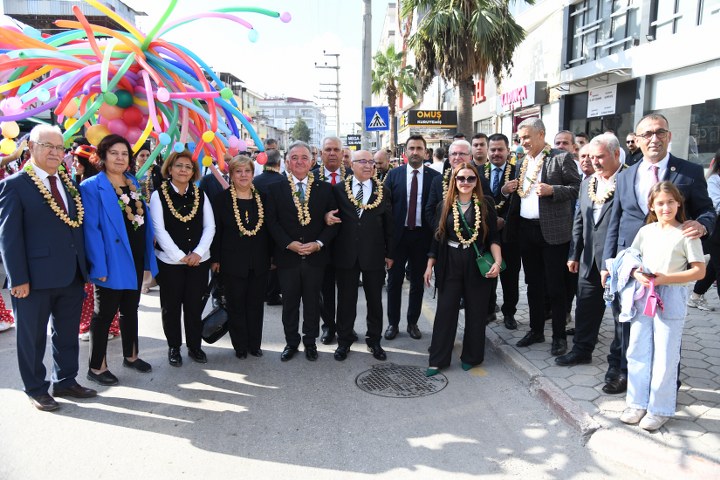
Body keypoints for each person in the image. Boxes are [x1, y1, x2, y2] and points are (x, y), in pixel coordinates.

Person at [601, 113, 715, 395]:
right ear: (637, 140)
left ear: (669, 136)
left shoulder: (689, 171)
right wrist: (607, 264)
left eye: (660, 132)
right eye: (647, 134)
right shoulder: (626, 175)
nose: (654, 138)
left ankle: (667, 381)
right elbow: (615, 220)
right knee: (627, 322)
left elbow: (707, 210)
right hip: (631, 265)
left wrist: (702, 224)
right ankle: (626, 374)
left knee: (667, 328)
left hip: (669, 267)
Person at [0, 124, 96, 411]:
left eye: (59, 147)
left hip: (71, 274)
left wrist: (84, 267)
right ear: (31, 148)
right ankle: (35, 388)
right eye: (48, 146)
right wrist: (18, 278)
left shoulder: (67, 183)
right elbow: (8, 237)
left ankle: (65, 380)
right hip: (33, 279)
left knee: (66, 333)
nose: (55, 152)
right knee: (31, 338)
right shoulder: (15, 185)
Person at [617, 182, 705, 431]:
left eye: (670, 202)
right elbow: (631, 258)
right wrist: (636, 274)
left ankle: (659, 408)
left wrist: (666, 279)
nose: (666, 207)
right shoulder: (646, 231)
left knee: (665, 354)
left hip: (671, 294)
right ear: (652, 207)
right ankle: (636, 403)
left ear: (679, 203)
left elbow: (699, 271)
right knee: (637, 349)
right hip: (644, 294)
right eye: (660, 203)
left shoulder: (686, 233)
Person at [80, 134, 159, 385]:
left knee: (130, 309)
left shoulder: (131, 181)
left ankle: (131, 356)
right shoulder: (92, 186)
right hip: (111, 258)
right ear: (102, 156)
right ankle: (97, 367)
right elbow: (91, 230)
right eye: (114, 153)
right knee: (104, 314)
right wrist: (98, 266)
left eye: (124, 154)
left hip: (135, 255)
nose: (120, 158)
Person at [502, 118, 581, 356]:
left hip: (553, 233)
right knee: (533, 284)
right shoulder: (521, 162)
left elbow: (577, 188)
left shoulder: (561, 158)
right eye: (520, 138)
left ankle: (559, 336)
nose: (523, 142)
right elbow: (520, 194)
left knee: (555, 286)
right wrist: (506, 190)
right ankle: (536, 330)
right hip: (526, 231)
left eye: (526, 137)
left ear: (541, 134)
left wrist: (553, 190)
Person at [423, 163, 502, 376]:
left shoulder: (486, 204)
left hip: (476, 262)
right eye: (461, 178)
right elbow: (437, 237)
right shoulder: (444, 205)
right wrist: (429, 265)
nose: (465, 182)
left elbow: (493, 237)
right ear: (454, 181)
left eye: (470, 178)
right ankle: (438, 359)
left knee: (476, 311)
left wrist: (497, 262)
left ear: (477, 181)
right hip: (450, 261)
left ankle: (471, 357)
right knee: (445, 310)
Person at [266, 141, 338, 361]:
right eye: (294, 158)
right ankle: (291, 342)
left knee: (312, 303)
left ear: (312, 162)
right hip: (288, 257)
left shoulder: (325, 189)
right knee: (289, 304)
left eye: (304, 157)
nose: (299, 162)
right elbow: (272, 222)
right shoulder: (275, 188)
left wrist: (319, 243)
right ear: (287, 162)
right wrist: (288, 244)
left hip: (316, 257)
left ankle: (310, 342)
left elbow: (333, 222)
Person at [556, 134, 624, 367]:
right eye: (591, 157)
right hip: (588, 258)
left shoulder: (627, 179)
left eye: (600, 157)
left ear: (616, 154)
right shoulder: (588, 182)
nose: (594, 162)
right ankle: (582, 351)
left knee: (621, 314)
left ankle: (621, 361)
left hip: (617, 259)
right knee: (585, 307)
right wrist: (574, 253)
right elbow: (580, 219)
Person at [150, 150, 216, 367]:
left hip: (199, 261)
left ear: (193, 171)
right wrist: (179, 256)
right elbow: (159, 230)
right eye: (179, 166)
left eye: (188, 167)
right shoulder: (158, 195)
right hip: (170, 263)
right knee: (171, 307)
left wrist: (198, 253)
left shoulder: (200, 194)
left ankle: (195, 346)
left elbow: (210, 226)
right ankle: (174, 347)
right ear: (170, 169)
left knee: (194, 305)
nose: (183, 170)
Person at [329, 150, 393, 361]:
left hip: (373, 254)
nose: (368, 165)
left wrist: (390, 253)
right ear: (352, 165)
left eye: (371, 162)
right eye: (363, 161)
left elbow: (389, 225)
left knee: (375, 300)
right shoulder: (339, 190)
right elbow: (332, 220)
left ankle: (374, 340)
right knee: (346, 300)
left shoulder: (383, 191)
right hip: (346, 254)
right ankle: (344, 341)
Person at [211, 156, 270, 358]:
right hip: (232, 261)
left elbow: (270, 230)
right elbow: (216, 231)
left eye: (247, 171)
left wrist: (272, 257)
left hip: (259, 260)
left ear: (253, 174)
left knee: (255, 305)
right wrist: (215, 259)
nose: (243, 175)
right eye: (238, 171)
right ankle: (240, 346)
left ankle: (255, 344)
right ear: (231, 174)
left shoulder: (263, 198)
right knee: (236, 304)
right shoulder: (221, 200)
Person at [384, 134, 440, 340]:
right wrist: (386, 243)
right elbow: (386, 209)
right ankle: (392, 324)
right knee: (394, 282)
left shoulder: (435, 177)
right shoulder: (393, 175)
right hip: (398, 239)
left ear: (426, 152)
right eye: (412, 148)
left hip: (422, 238)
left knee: (418, 282)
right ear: (405, 152)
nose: (415, 152)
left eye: (419, 148)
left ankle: (412, 323)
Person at [313, 136, 350, 345]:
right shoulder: (311, 177)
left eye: (336, 149)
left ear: (343, 153)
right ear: (321, 153)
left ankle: (346, 328)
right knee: (325, 289)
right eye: (328, 149)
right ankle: (328, 327)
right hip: (322, 243)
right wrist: (323, 217)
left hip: (347, 242)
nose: (332, 153)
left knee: (346, 290)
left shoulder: (353, 176)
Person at [486, 134, 519, 330]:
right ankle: (489, 310)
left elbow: (519, 203)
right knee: (487, 274)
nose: (496, 153)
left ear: (508, 151)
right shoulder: (478, 172)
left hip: (509, 235)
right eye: (493, 150)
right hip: (486, 235)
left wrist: (504, 220)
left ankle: (509, 313)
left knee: (510, 277)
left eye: (500, 149)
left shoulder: (517, 172)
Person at [688, 149, 720, 310]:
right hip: (716, 231)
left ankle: (696, 296)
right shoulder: (714, 179)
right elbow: (715, 205)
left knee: (714, 266)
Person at [253, 148, 285, 307]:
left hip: (258, 227)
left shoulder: (255, 181)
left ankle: (261, 292)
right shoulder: (284, 181)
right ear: (279, 163)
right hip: (278, 227)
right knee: (276, 261)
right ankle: (273, 293)